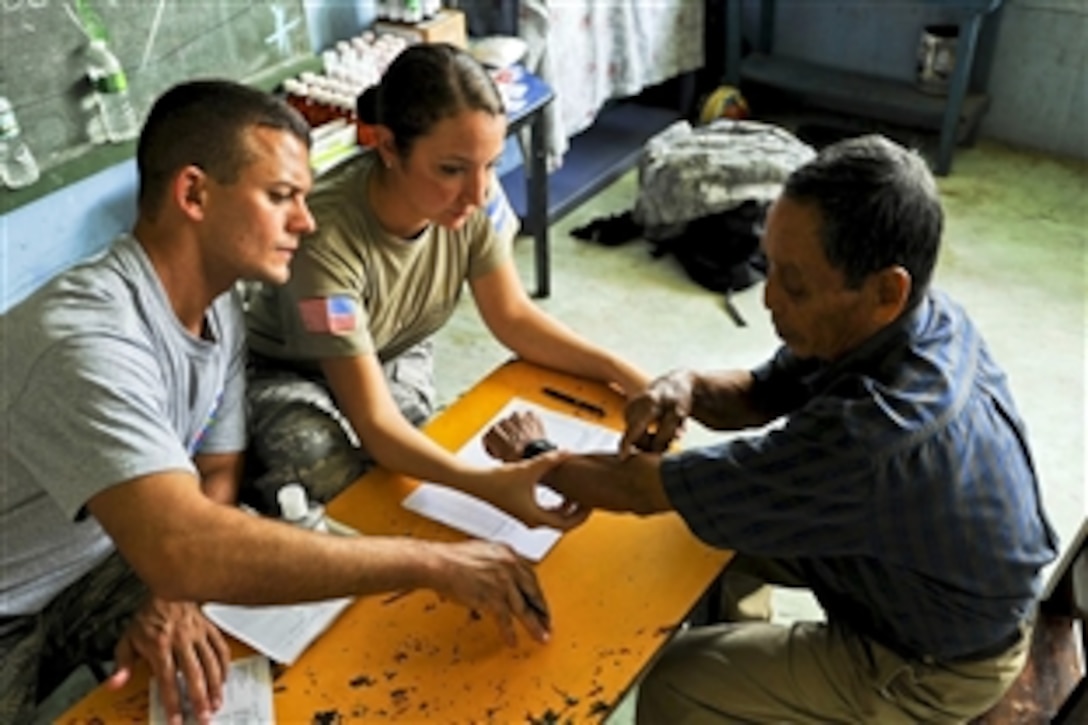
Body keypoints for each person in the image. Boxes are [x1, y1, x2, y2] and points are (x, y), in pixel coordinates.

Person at [0, 80, 562, 725]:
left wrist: (175, 592)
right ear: (193, 194)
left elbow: (216, 470)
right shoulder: (82, 341)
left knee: (301, 649)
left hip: (103, 558)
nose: (307, 220)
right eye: (281, 197)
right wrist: (435, 563)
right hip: (9, 601)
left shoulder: (218, 304)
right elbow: (183, 543)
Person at [483, 135, 1059, 723]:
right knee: (705, 539)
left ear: (888, 290)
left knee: (680, 682)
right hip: (924, 577)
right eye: (770, 266)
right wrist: (685, 384)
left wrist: (534, 451)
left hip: (934, 664)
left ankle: (752, 694)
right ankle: (751, 659)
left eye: (796, 284)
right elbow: (761, 395)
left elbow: (641, 490)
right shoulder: (913, 322)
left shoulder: (872, 434)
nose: (769, 299)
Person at [242, 42, 647, 526]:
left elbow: (513, 318)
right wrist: (487, 488)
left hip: (392, 349)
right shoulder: (326, 237)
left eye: (491, 165)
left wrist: (626, 375)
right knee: (323, 462)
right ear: (388, 147)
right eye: (451, 169)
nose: (477, 192)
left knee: (419, 452)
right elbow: (374, 422)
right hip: (289, 369)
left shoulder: (468, 199)